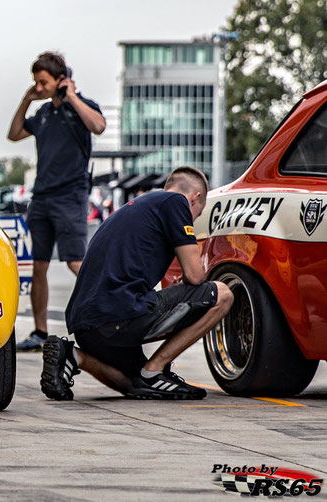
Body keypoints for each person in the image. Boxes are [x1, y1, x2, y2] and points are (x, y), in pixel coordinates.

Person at [41, 167, 234, 400]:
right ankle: (156, 370)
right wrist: (193, 277)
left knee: (134, 384)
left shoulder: (137, 207)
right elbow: (195, 276)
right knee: (222, 294)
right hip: (118, 315)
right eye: (197, 213)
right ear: (197, 198)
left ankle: (73, 356)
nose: (193, 218)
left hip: (87, 325)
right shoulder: (176, 202)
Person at [7, 52, 106, 351]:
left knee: (77, 262)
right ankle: (39, 332)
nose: (39, 87)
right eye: (35, 82)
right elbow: (13, 135)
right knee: (39, 265)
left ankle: (105, 321)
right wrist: (27, 99)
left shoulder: (82, 108)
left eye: (43, 82)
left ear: (60, 80)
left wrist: (72, 97)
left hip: (70, 197)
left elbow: (99, 126)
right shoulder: (43, 114)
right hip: (42, 198)